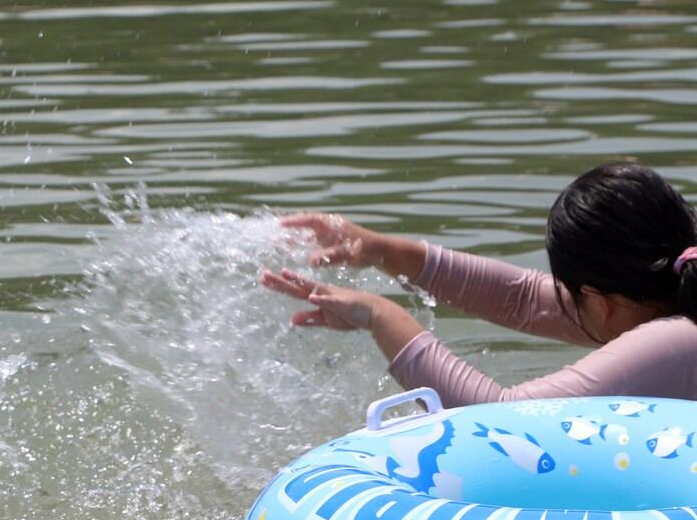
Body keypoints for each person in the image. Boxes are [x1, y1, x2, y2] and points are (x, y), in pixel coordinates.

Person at [261, 162, 697, 406]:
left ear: (601, 302)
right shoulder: (673, 303)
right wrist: (383, 251)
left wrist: (379, 314)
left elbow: (500, 417)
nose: (560, 301)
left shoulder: (677, 341)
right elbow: (523, 299)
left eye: (572, 295)